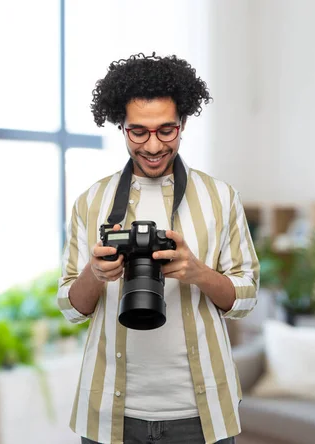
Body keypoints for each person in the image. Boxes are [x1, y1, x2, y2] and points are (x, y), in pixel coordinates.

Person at [57, 53, 259, 444]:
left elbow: (247, 298)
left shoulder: (220, 197)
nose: (153, 145)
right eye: (138, 131)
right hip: (111, 415)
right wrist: (96, 275)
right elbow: (70, 307)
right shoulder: (90, 201)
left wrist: (197, 272)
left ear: (183, 124)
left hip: (200, 416)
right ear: (121, 126)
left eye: (167, 130)